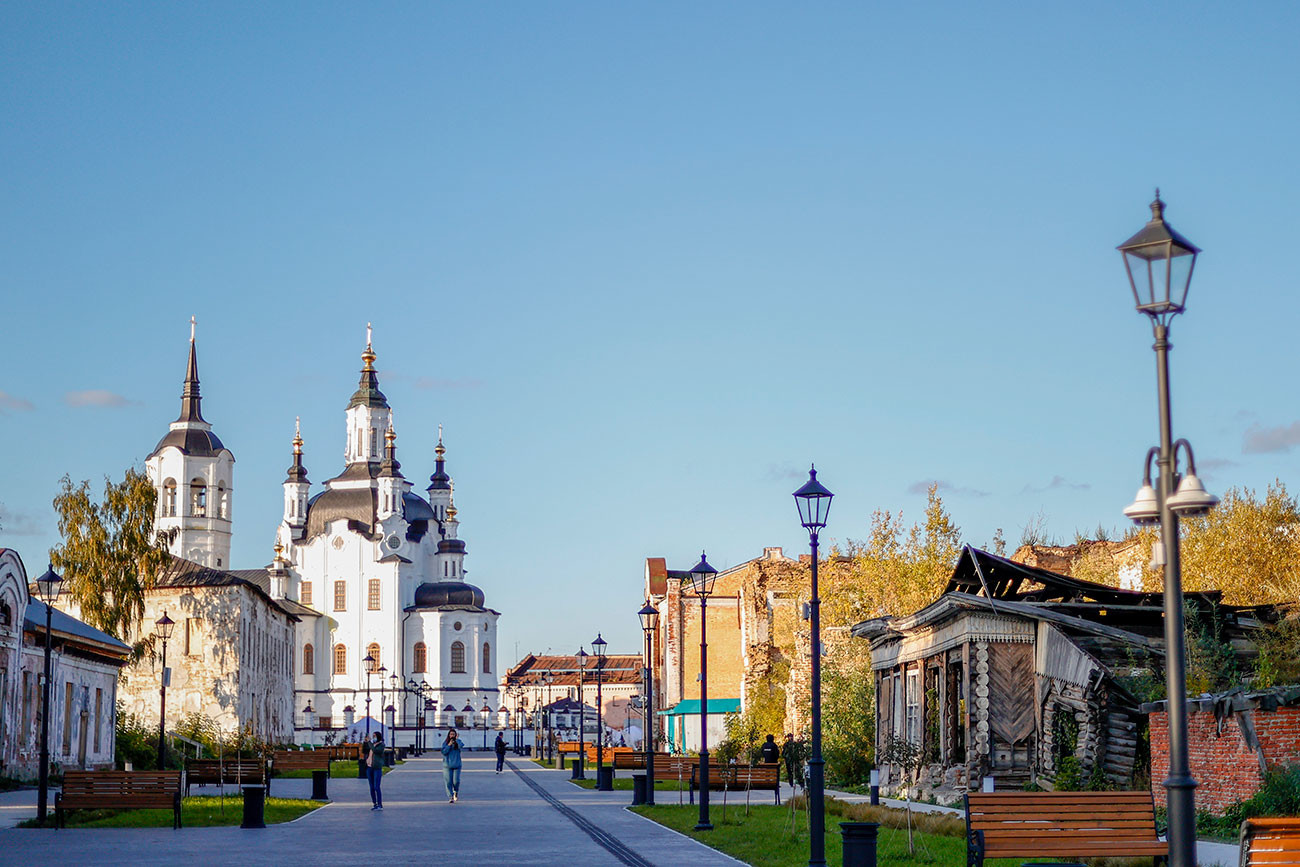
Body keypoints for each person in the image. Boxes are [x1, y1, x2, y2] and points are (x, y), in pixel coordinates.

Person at [441, 729, 463, 802]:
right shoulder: (445, 743)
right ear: (448, 735)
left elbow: (461, 746)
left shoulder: (458, 742)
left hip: (457, 765)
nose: (452, 736)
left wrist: (457, 740)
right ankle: (450, 796)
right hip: (447, 765)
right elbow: (444, 752)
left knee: (456, 781)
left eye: (453, 734)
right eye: (451, 734)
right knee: (448, 782)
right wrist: (449, 745)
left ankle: (455, 791)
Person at [366, 731, 385, 810]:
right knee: (371, 787)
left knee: (376, 786)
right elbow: (366, 750)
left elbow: (375, 751)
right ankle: (375, 803)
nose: (373, 737)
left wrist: (369, 742)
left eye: (375, 736)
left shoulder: (381, 745)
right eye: (373, 736)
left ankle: (380, 804)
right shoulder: (372, 744)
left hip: (377, 767)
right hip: (369, 767)